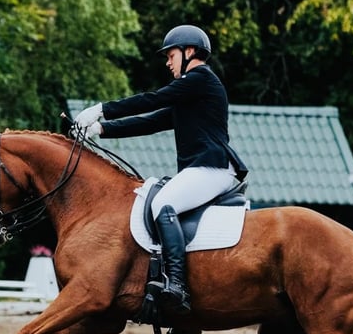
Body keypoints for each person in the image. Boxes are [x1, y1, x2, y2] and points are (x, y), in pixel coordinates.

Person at [72, 24, 248, 315]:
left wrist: (101, 108)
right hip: (202, 169)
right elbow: (152, 121)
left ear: (189, 52)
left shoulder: (200, 78)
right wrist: (101, 130)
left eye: (171, 55)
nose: (168, 62)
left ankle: (176, 285)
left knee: (163, 203)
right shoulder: (191, 92)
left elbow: (152, 99)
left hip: (212, 167)